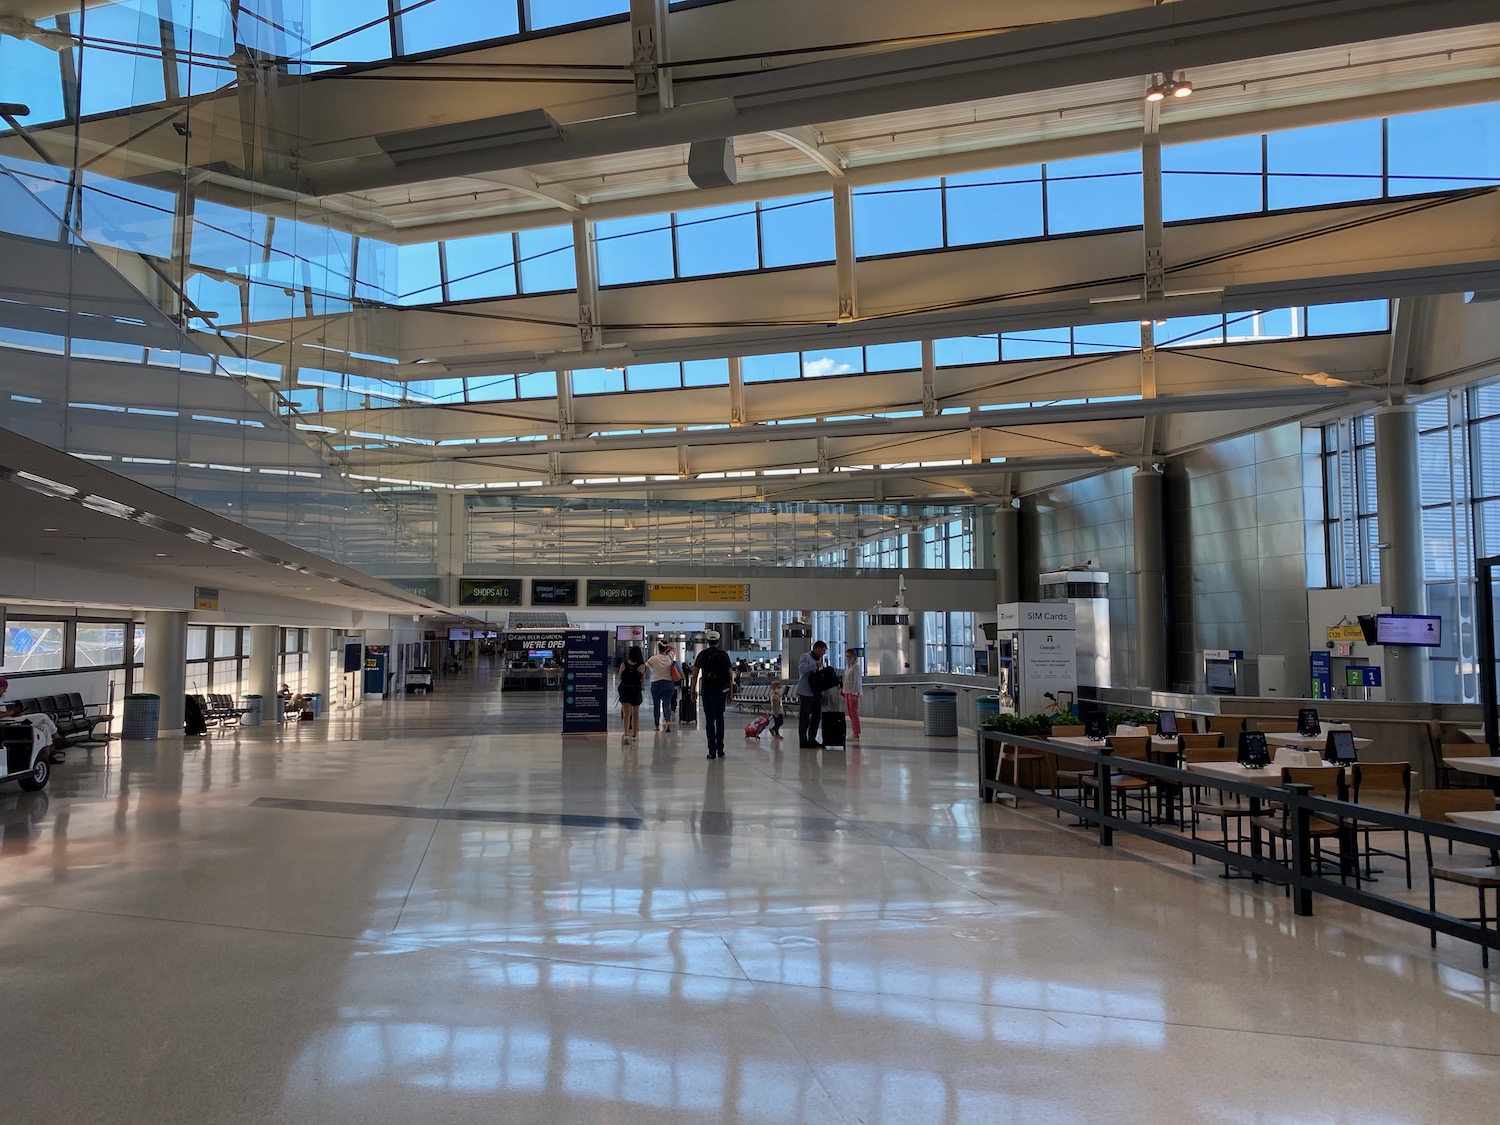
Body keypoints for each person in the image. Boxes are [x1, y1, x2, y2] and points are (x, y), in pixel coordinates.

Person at [0, 677, 65, 764]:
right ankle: (57, 738)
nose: (5, 691)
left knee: (44, 727)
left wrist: (13, 713)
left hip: (10, 719)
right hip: (7, 723)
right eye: (4, 688)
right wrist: (12, 712)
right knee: (44, 717)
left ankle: (47, 758)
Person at [692, 631, 733, 760]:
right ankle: (721, 749)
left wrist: (692, 691)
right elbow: (730, 675)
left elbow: (694, 675)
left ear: (707, 642)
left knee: (710, 720)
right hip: (721, 691)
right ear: (718, 641)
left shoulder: (702, 655)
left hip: (707, 691)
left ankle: (712, 750)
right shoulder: (724, 655)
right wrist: (730, 692)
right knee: (720, 719)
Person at [796, 640, 829, 748]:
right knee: (804, 717)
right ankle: (803, 740)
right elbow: (802, 668)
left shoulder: (819, 660)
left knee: (816, 716)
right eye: (823, 650)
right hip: (805, 691)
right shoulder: (805, 656)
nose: (823, 653)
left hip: (816, 692)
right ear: (817, 648)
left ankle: (812, 738)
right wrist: (815, 664)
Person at [645, 642, 679, 732]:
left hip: (656, 683)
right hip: (668, 684)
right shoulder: (670, 656)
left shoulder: (653, 658)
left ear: (658, 648)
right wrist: (667, 645)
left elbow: (645, 668)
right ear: (666, 648)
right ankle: (667, 722)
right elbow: (673, 648)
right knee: (667, 704)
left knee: (656, 705)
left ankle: (657, 726)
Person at [617, 646, 645, 744]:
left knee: (626, 714)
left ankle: (626, 734)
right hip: (635, 691)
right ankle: (634, 734)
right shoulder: (641, 666)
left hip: (625, 690)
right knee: (635, 714)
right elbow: (643, 682)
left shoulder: (623, 664)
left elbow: (620, 677)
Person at [841, 648, 863, 740]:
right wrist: (843, 689)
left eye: (849, 656)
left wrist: (854, 693)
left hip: (853, 692)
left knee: (854, 713)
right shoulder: (848, 667)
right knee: (850, 712)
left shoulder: (856, 667)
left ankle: (856, 733)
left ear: (854, 656)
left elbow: (857, 681)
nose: (848, 658)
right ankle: (854, 732)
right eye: (846, 657)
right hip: (847, 691)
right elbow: (846, 680)